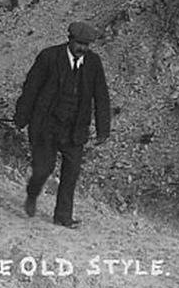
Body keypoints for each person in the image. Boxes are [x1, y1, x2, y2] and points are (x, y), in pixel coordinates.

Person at [13, 20, 111, 228]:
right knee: (43, 169)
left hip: (75, 130)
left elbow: (101, 96)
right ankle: (32, 194)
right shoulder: (49, 57)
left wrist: (103, 129)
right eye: (79, 43)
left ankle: (63, 216)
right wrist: (21, 117)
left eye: (86, 45)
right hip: (46, 126)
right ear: (70, 40)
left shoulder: (93, 63)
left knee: (71, 174)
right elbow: (31, 88)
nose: (82, 49)